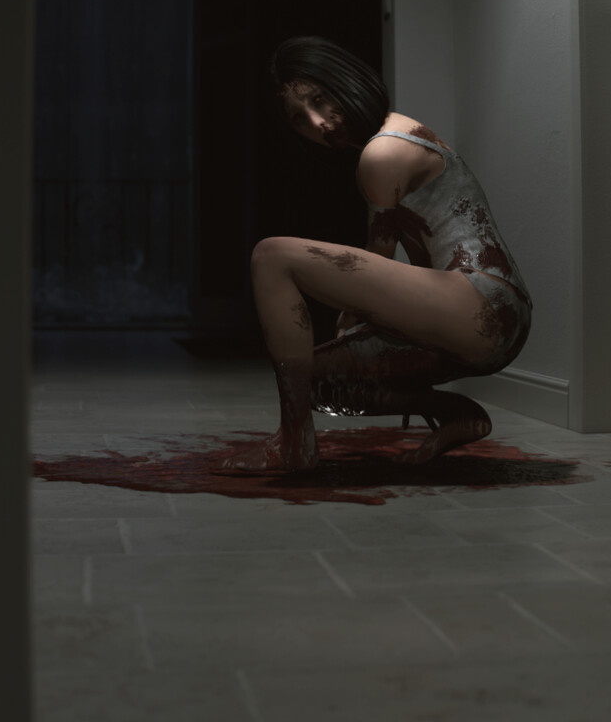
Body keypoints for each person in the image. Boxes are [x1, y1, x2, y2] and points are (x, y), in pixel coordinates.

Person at [223, 36, 533, 471]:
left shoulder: (383, 151)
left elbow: (380, 255)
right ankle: (455, 413)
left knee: (271, 256)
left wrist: (350, 321)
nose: (318, 123)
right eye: (299, 119)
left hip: (484, 304)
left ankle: (294, 443)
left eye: (319, 99)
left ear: (345, 80)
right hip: (477, 317)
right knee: (314, 379)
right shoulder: (393, 137)